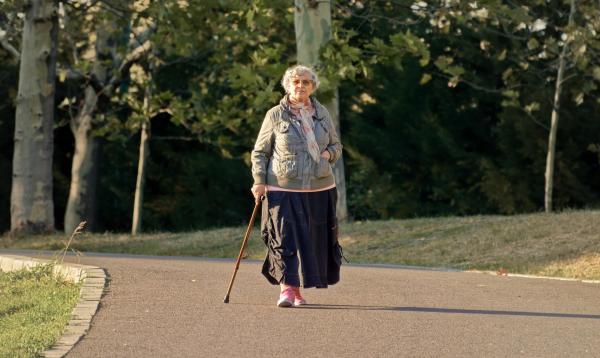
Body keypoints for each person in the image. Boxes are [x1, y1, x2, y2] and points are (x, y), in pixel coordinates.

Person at [250, 65, 344, 308]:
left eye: (305, 82)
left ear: (312, 87)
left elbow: (336, 146)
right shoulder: (275, 115)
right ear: (287, 86)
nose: (300, 85)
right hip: (282, 187)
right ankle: (288, 290)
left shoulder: (322, 114)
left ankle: (298, 291)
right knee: (283, 238)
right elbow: (260, 152)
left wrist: (327, 155)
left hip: (318, 187)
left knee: (311, 241)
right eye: (295, 81)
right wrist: (259, 181)